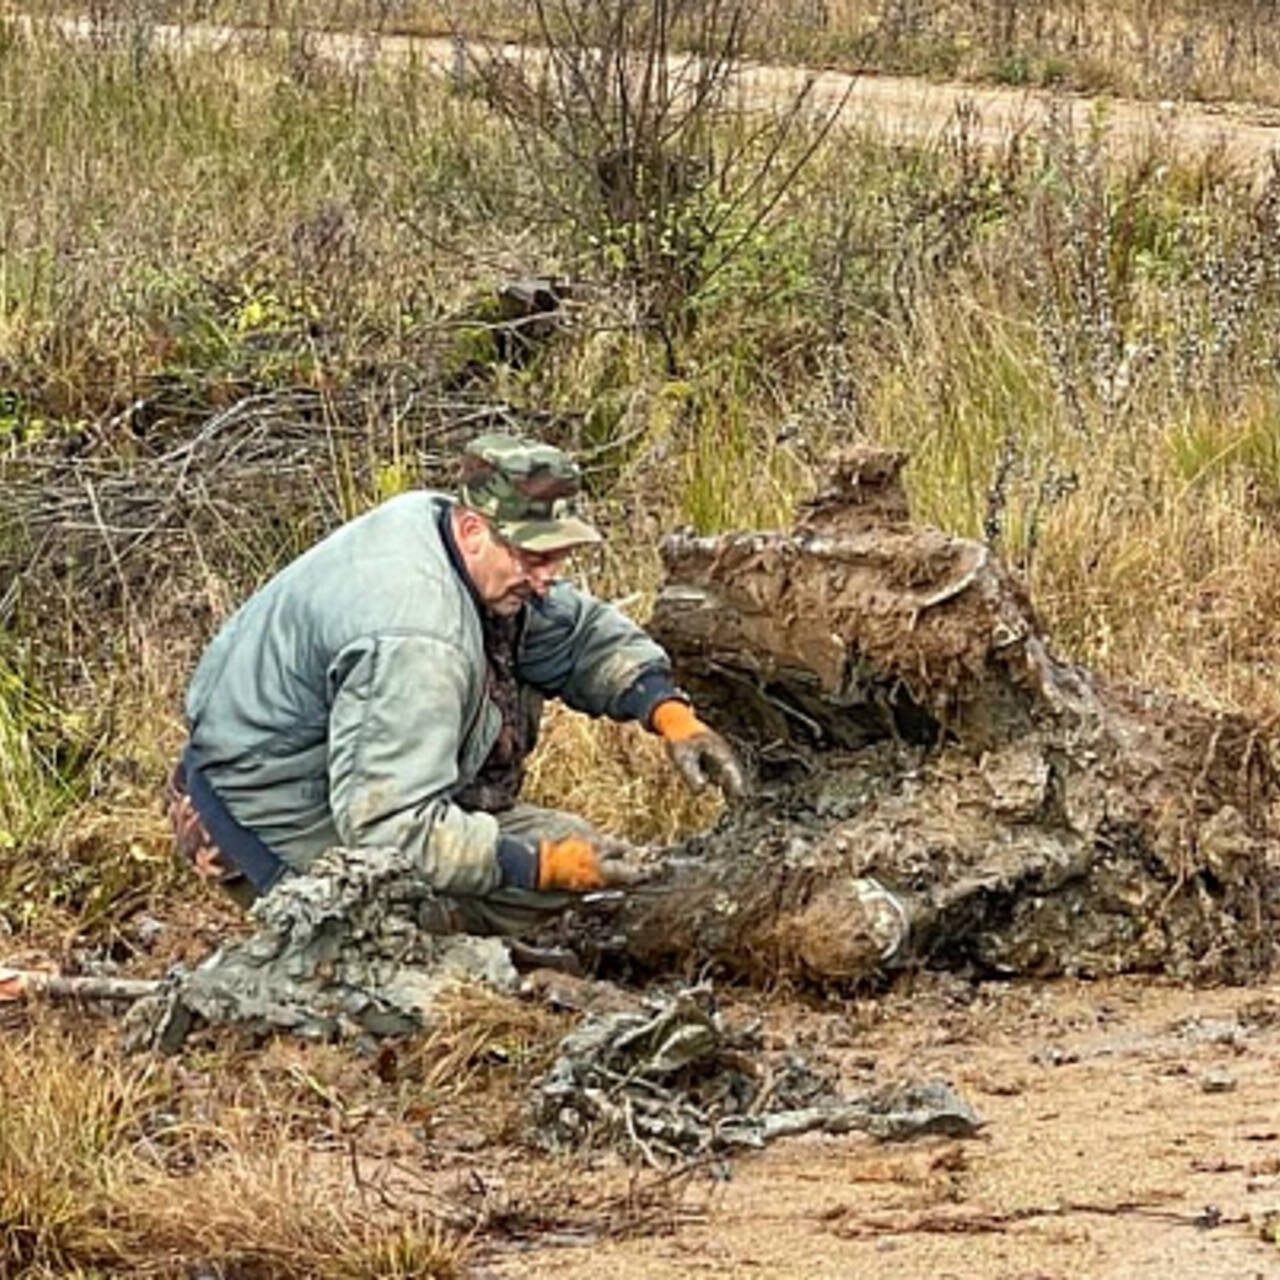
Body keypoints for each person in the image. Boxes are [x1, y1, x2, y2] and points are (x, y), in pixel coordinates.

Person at [166, 432, 743, 935]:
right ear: (473, 530)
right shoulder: (418, 638)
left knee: (575, 852)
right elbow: (388, 831)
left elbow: (575, 635)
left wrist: (671, 715)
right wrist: (539, 867)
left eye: (557, 557)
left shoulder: (451, 531)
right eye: (533, 558)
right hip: (267, 812)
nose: (547, 580)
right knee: (414, 938)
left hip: (354, 783)